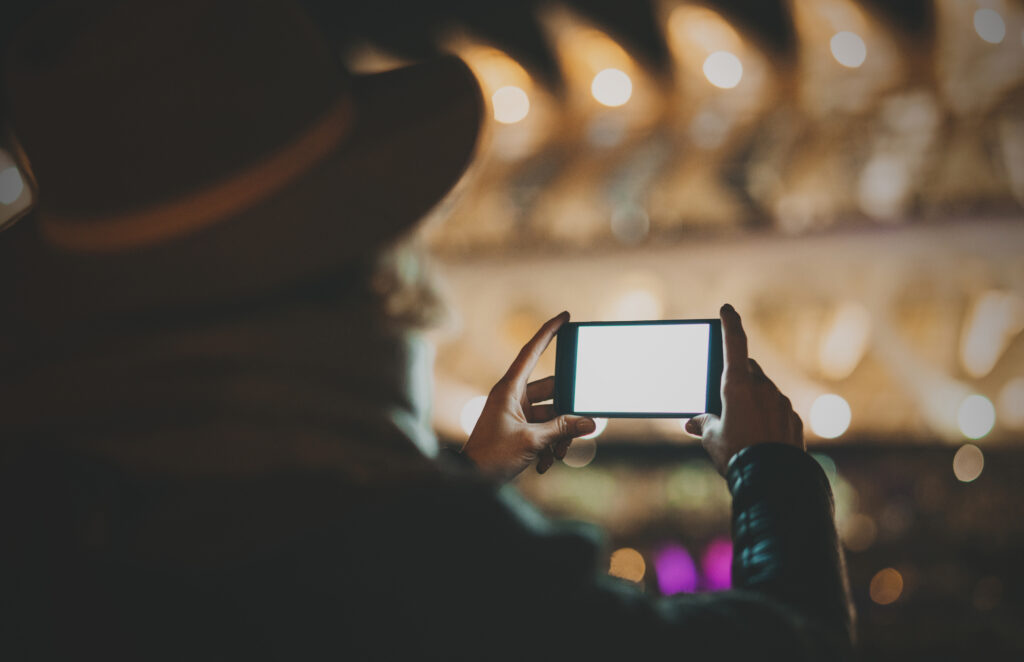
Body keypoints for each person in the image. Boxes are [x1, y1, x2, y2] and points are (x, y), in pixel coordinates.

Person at [0, 0, 853, 659]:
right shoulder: (433, 569)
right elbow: (792, 648)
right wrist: (770, 475)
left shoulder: (44, 534)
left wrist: (466, 476)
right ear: (365, 278)